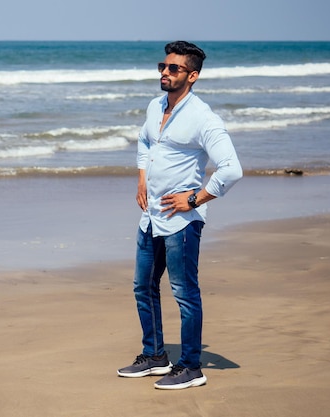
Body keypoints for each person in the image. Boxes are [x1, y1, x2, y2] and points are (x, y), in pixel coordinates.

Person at [117, 41, 242, 390]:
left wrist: (196, 199)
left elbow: (231, 169)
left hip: (182, 222)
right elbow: (144, 142)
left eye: (174, 68)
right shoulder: (155, 107)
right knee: (143, 286)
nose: (165, 73)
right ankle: (155, 355)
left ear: (193, 76)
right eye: (163, 66)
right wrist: (142, 177)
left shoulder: (203, 118)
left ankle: (191, 366)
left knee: (184, 292)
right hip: (151, 215)